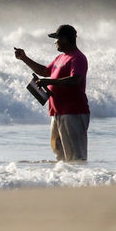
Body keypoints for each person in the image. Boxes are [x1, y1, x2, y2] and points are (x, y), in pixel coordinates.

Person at [14, 24, 90, 162]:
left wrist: (49, 82)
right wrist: (24, 58)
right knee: (58, 151)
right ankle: (62, 180)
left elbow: (76, 80)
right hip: (57, 111)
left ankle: (80, 181)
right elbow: (43, 71)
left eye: (57, 39)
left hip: (73, 111)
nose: (55, 42)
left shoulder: (78, 58)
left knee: (76, 155)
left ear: (66, 39)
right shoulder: (60, 58)